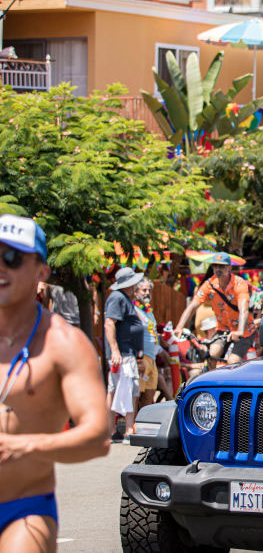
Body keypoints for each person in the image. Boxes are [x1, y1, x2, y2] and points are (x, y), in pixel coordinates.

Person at [0, 215, 108, 551]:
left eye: (12, 258)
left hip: (22, 510)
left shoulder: (64, 344)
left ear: (41, 272)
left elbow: (97, 437)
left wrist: (23, 445)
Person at [174, 252, 251, 365]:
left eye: (222, 266)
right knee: (211, 356)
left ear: (229, 267)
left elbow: (244, 309)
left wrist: (239, 330)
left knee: (232, 361)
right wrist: (179, 327)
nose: (218, 269)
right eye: (215, 265)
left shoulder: (239, 284)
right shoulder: (209, 285)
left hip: (244, 330)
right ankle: (213, 382)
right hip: (223, 330)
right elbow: (192, 306)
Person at [103, 266, 146, 440]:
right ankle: (123, 429)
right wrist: (115, 350)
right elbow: (109, 323)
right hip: (122, 354)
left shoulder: (124, 298)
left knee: (127, 389)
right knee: (122, 389)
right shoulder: (117, 298)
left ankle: (120, 428)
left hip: (128, 353)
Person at [132, 279, 162, 410]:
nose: (147, 293)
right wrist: (138, 359)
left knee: (150, 394)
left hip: (152, 358)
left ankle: (143, 424)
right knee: (137, 394)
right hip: (142, 356)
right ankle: (132, 424)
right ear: (135, 292)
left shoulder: (148, 311)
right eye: (144, 290)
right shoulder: (134, 310)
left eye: (149, 290)